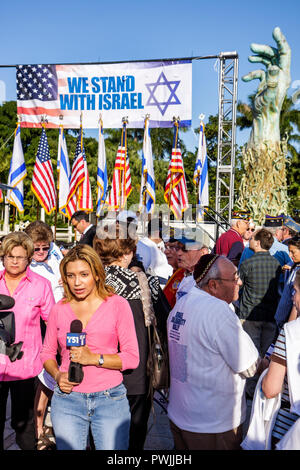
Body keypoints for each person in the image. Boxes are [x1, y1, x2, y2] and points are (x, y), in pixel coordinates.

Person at [41, 244, 139, 450]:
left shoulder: (117, 304)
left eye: (84, 274)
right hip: (67, 400)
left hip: (110, 399)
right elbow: (47, 353)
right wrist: (58, 375)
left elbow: (132, 358)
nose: (77, 282)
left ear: (96, 273)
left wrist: (94, 358)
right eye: (71, 275)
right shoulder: (59, 309)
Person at [167, 254, 265, 450]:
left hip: (181, 415)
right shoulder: (217, 311)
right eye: (234, 278)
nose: (240, 282)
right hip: (212, 425)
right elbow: (249, 366)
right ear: (213, 285)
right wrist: (270, 363)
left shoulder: (183, 303)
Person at [93, 224, 161, 450]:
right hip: (136, 374)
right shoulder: (146, 283)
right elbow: (163, 321)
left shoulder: (89, 282)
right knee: (133, 441)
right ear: (127, 253)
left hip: (97, 369)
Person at [0, 231, 55, 450]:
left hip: (27, 367)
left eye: (20, 257)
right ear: (3, 257)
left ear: (29, 258)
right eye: (10, 256)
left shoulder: (41, 285)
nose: (14, 261)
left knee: (24, 427)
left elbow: (52, 322)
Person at [24, 221, 65, 449]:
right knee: (41, 375)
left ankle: (45, 422)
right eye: (37, 248)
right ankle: (38, 426)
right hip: (38, 323)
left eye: (45, 247)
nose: (41, 252)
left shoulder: (55, 256)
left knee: (50, 375)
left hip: (60, 320)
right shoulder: (26, 265)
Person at [237, 228, 282, 397]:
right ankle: (262, 387)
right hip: (270, 314)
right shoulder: (276, 264)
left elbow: (238, 283)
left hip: (250, 315)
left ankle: (250, 390)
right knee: (265, 354)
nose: (248, 239)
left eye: (252, 238)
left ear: (257, 242)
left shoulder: (248, 263)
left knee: (251, 355)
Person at [261, 270, 300, 449]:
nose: (293, 298)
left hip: (289, 427)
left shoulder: (291, 332)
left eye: (295, 291)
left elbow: (271, 388)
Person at [136, 218, 173, 287]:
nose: (165, 234)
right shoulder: (143, 246)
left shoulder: (157, 245)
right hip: (155, 289)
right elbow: (140, 271)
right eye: (163, 231)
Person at [274, 235, 300, 329]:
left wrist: (288, 329)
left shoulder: (297, 272)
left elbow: (295, 304)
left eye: (293, 252)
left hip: (290, 323)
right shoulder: (293, 267)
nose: (289, 255)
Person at [175, 235, 209, 301]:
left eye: (185, 248)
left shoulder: (209, 282)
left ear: (203, 252)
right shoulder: (185, 274)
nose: (179, 253)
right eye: (177, 248)